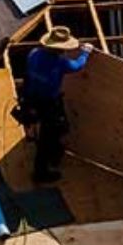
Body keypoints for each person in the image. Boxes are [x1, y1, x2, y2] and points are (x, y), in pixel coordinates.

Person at [19, 26, 91, 183]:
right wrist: (85, 52)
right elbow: (77, 65)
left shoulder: (34, 54)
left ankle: (51, 153)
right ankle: (41, 172)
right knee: (51, 134)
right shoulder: (60, 63)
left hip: (32, 99)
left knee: (49, 129)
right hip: (49, 103)